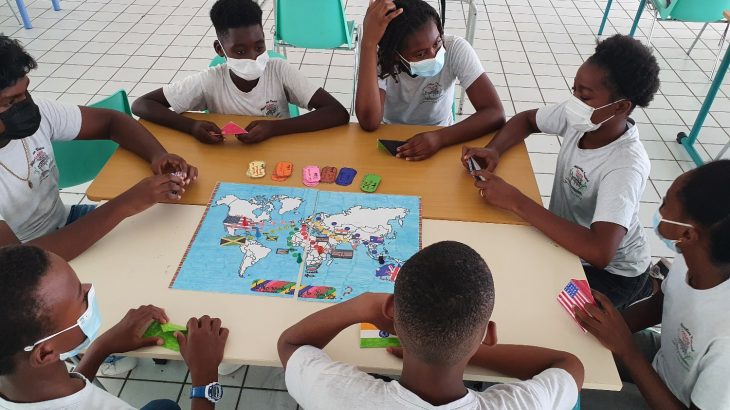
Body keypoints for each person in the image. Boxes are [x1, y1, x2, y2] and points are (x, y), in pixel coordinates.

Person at [463, 34, 661, 309]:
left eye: (585, 95)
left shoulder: (626, 165)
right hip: (569, 242)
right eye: (574, 90)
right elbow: (526, 120)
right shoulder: (584, 118)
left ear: (621, 106)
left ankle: (648, 287)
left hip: (611, 274)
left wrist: (516, 201)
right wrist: (494, 149)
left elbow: (600, 252)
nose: (575, 101)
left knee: (545, 312)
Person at [278, 241, 584, 409]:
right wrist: (458, 345)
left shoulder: (336, 396)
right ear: (489, 335)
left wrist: (364, 305)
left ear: (391, 312)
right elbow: (569, 365)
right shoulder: (524, 405)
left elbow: (291, 345)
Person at [0, 35, 198, 262]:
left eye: (26, 91)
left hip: (67, 222)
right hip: (30, 261)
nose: (26, 105)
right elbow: (17, 262)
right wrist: (125, 204)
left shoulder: (42, 112)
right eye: (9, 102)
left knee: (174, 239)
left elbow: (112, 122)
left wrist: (158, 155)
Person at [575, 160, 730, 409]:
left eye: (665, 204)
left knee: (558, 396)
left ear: (688, 233)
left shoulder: (725, 340)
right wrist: (607, 326)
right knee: (566, 353)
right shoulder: (694, 257)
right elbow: (660, 303)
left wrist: (627, 350)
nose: (660, 210)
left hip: (672, 402)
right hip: (664, 359)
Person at [0, 245, 229, 410]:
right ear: (45, 353)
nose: (89, 288)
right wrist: (204, 376)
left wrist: (102, 347)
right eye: (81, 296)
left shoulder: (20, 381)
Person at [132, 0, 350, 145]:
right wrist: (192, 126)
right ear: (220, 50)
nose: (254, 57)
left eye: (259, 46)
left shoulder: (279, 70)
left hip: (279, 156)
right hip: (229, 158)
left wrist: (274, 128)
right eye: (240, 51)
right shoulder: (211, 80)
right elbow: (142, 104)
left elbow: (337, 112)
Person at [355, 0, 505, 161]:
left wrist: (439, 137)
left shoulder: (454, 48)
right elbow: (369, 122)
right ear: (395, 55)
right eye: (420, 54)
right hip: (394, 136)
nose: (434, 55)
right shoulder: (382, 59)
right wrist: (368, 45)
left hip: (443, 134)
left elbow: (495, 113)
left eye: (437, 43)